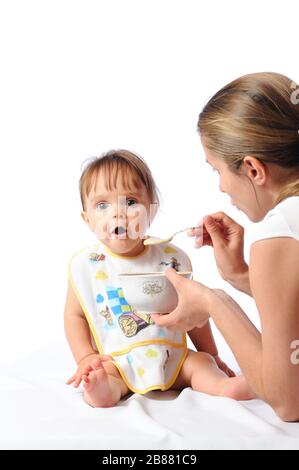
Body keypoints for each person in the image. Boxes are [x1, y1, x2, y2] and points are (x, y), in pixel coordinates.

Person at [151, 72, 299, 422]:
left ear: (252, 168)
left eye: (216, 169)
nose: (220, 187)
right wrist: (241, 276)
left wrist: (213, 302)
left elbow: (288, 401)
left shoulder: (280, 234)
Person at [64, 149, 255, 407]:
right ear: (87, 219)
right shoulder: (88, 265)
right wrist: (85, 356)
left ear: (151, 211)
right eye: (102, 205)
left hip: (173, 358)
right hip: (119, 361)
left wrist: (210, 353)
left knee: (198, 364)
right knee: (107, 374)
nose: (118, 213)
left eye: (131, 202)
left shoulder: (170, 258)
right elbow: (74, 315)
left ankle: (224, 386)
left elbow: (195, 311)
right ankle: (102, 389)